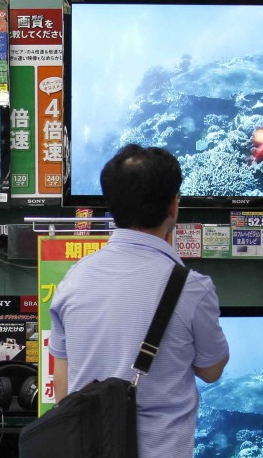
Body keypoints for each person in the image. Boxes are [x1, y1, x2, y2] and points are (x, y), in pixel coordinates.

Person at [48, 144, 229, 457]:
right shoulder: (192, 289)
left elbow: (62, 391)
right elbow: (211, 371)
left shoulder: (71, 281)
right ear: (173, 207)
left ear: (112, 205)